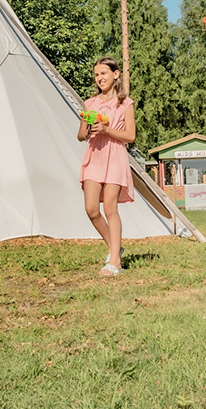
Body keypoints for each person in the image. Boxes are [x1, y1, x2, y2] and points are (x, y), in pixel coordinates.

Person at [77, 57, 136, 277]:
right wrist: (87, 130)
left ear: (116, 74)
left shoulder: (125, 104)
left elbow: (130, 136)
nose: (100, 78)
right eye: (96, 75)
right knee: (91, 209)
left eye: (103, 73)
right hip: (94, 155)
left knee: (110, 208)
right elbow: (80, 135)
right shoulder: (89, 103)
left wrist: (106, 130)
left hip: (115, 156)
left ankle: (114, 262)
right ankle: (115, 248)